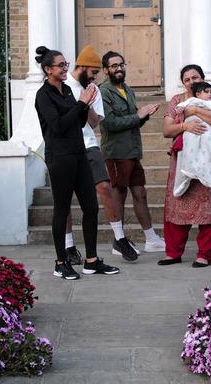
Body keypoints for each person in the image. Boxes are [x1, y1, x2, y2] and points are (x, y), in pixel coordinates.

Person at [34, 45, 120, 280]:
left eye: (66, 65)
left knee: (91, 207)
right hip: (60, 158)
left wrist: (86, 104)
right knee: (61, 210)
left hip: (79, 154)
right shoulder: (43, 95)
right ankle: (60, 262)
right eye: (61, 66)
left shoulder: (67, 91)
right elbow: (59, 126)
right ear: (48, 69)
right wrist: (81, 104)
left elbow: (81, 122)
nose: (65, 69)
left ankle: (91, 260)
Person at [63, 45, 138, 264]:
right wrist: (79, 101)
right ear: (83, 66)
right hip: (65, 147)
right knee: (65, 197)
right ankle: (68, 246)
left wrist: (87, 104)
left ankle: (120, 238)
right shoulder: (64, 83)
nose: (95, 77)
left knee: (105, 187)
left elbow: (95, 123)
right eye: (94, 73)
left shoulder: (93, 89)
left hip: (88, 145)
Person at [159, 64, 211, 268]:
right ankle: (173, 252)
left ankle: (205, 254)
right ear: (183, 83)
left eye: (195, 77)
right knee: (178, 202)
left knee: (210, 206)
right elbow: (167, 130)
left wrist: (196, 110)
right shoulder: (177, 100)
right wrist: (185, 125)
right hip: (184, 159)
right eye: (187, 79)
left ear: (203, 78)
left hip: (210, 159)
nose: (192, 82)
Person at [98, 51, 166, 253]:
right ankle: (119, 241)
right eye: (114, 66)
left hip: (133, 151)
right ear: (105, 70)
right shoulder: (103, 92)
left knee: (140, 193)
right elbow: (109, 123)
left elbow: (132, 120)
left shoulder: (128, 89)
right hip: (116, 152)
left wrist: (144, 115)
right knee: (119, 194)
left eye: (121, 64)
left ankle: (151, 238)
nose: (119, 68)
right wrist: (138, 116)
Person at [173, 82, 211, 197]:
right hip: (191, 128)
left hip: (207, 128)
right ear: (198, 93)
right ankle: (187, 172)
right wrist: (180, 108)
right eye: (206, 92)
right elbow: (182, 106)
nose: (210, 95)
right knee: (189, 146)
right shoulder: (191, 100)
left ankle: (209, 173)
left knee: (210, 145)